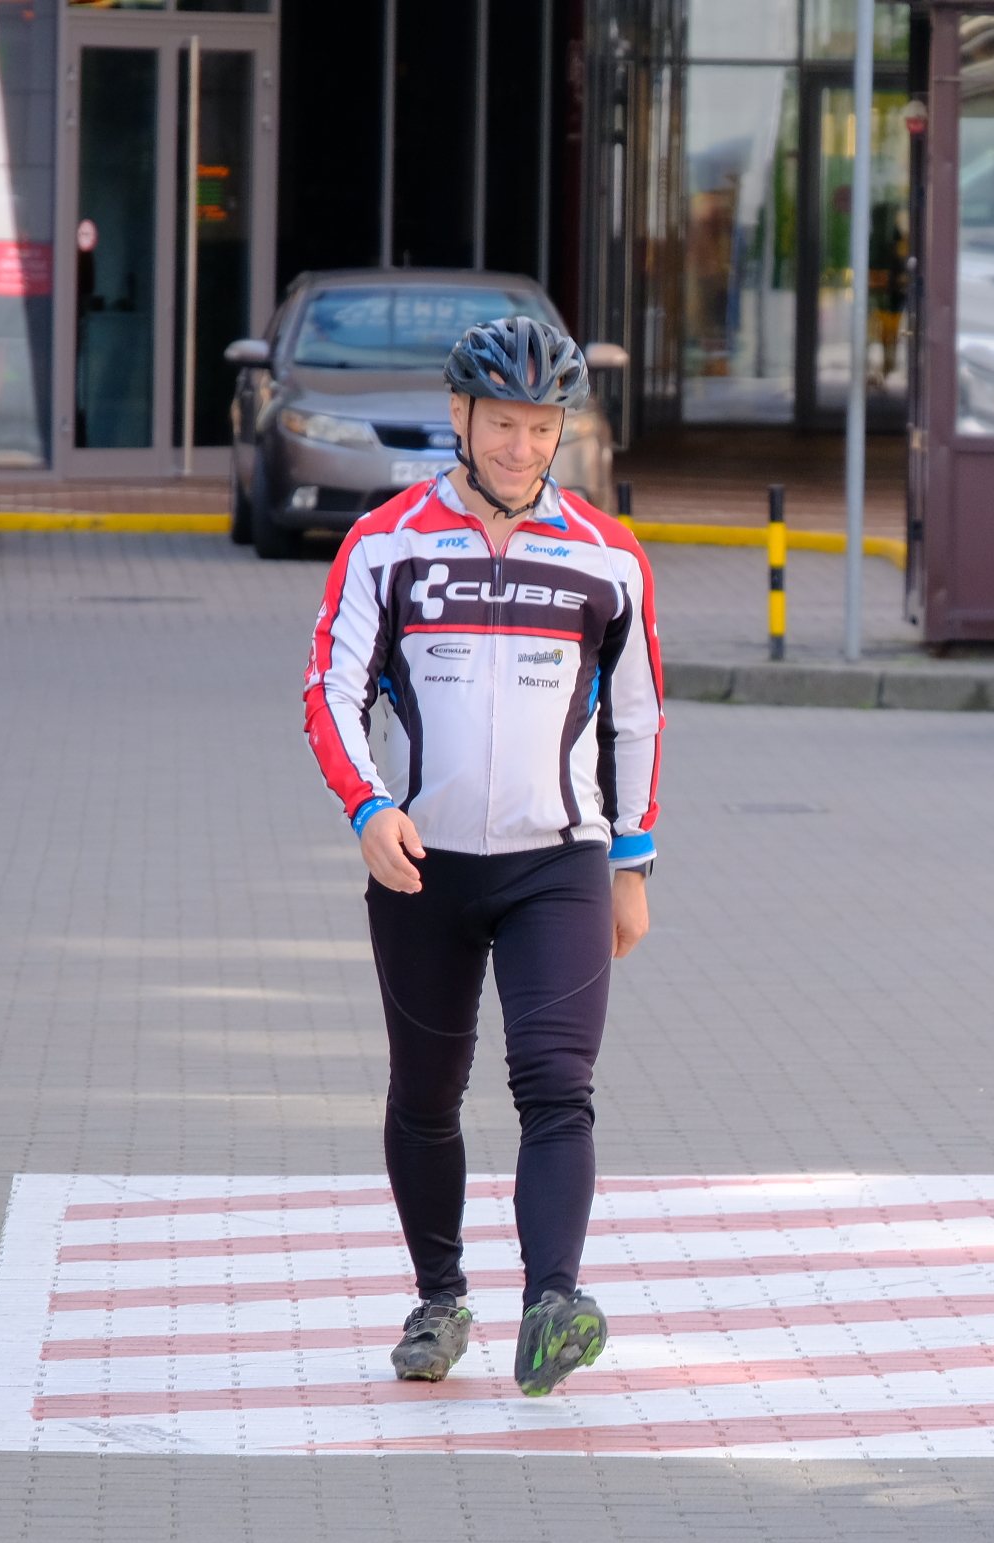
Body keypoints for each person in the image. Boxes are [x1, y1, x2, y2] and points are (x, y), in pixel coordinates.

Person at [300, 316, 663, 1397]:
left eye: (542, 426)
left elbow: (638, 717)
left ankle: (554, 1302)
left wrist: (633, 864)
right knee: (426, 1092)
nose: (521, 445)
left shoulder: (607, 554)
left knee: (557, 1084)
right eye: (502, 422)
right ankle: (439, 1299)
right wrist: (367, 806)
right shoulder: (387, 542)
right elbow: (330, 690)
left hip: (561, 861)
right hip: (423, 862)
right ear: (458, 416)